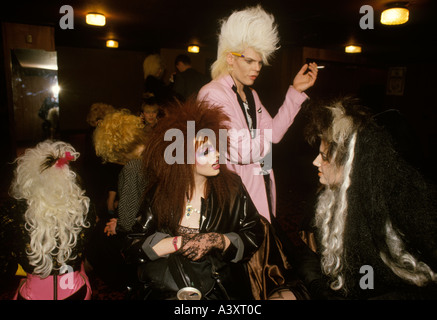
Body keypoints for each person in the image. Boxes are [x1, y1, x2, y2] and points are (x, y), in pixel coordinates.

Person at [197, 5, 323, 299]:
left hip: (261, 188)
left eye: (260, 62)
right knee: (248, 277)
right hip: (234, 200)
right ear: (231, 58)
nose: (257, 67)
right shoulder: (212, 93)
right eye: (251, 61)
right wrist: (257, 138)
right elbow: (241, 150)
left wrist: (294, 91)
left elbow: (273, 135)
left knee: (266, 273)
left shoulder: (250, 94)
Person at [124, 99, 265, 300]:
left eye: (215, 147)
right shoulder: (160, 193)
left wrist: (217, 240)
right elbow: (133, 245)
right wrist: (176, 243)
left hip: (221, 291)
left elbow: (254, 233)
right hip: (171, 290)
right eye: (205, 151)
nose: (216, 154)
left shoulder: (232, 188)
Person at [305, 96, 437, 299]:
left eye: (324, 156)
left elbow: (369, 279)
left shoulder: (387, 204)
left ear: (351, 163)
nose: (315, 162)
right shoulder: (327, 199)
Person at [0, 140, 93, 300]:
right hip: (75, 291)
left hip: (31, 295)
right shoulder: (83, 208)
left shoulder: (12, 211)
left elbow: (7, 262)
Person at [86, 109, 149, 290]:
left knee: (101, 234)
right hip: (165, 226)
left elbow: (128, 222)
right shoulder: (156, 152)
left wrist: (118, 223)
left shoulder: (132, 168)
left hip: (147, 237)